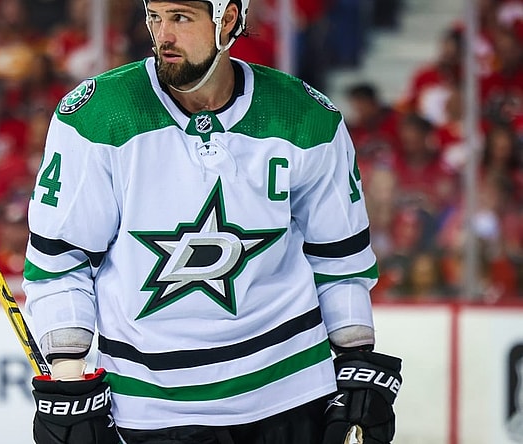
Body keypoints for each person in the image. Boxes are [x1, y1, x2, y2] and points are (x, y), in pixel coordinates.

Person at [21, 1, 402, 444]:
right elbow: (60, 261)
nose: (162, 34)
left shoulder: (306, 117)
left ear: (228, 19)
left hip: (292, 394)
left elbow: (339, 260)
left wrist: (355, 359)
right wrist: (68, 381)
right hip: (154, 408)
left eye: (181, 17)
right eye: (155, 16)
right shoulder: (96, 117)